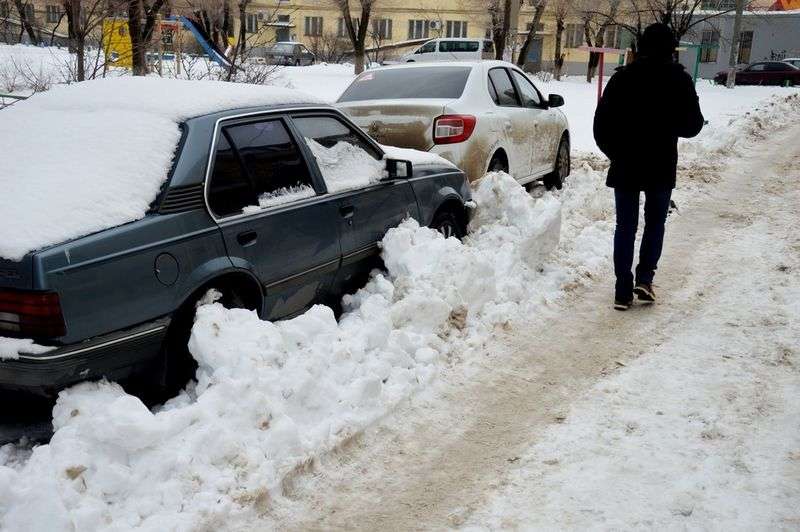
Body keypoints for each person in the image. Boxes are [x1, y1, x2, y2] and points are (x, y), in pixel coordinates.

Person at [593, 23, 705, 311]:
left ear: (641, 46)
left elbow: (600, 126)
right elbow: (693, 125)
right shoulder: (679, 81)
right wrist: (669, 123)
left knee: (625, 227)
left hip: (626, 165)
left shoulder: (622, 79)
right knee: (656, 223)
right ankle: (644, 279)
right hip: (661, 165)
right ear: (671, 48)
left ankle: (621, 290)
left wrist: (616, 153)